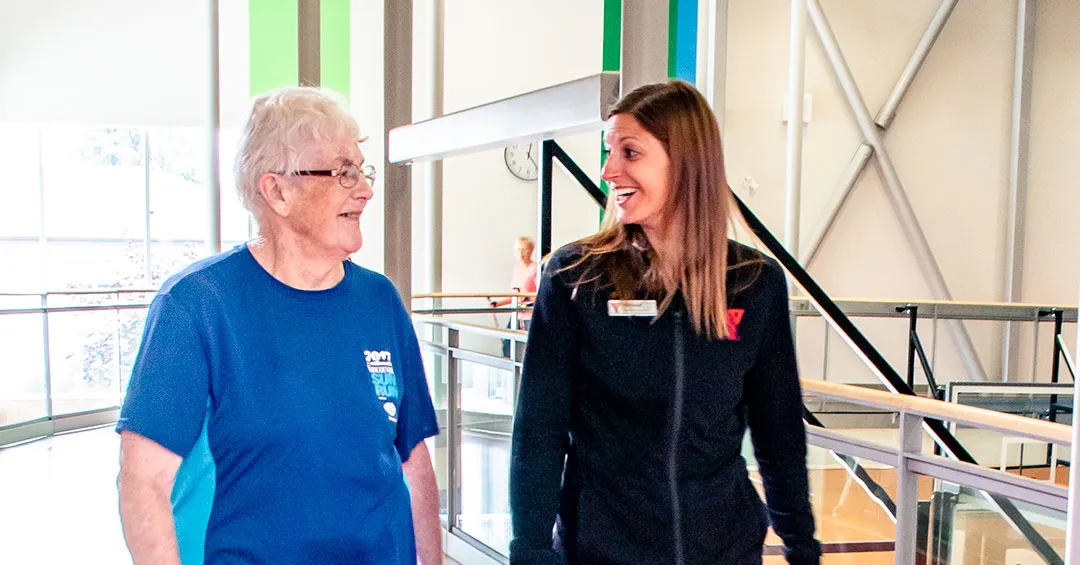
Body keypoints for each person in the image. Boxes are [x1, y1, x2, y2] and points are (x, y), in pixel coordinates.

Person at [115, 88, 442, 565]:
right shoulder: (198, 305)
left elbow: (413, 462)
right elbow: (144, 480)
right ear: (277, 190)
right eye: (342, 172)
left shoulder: (379, 300)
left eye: (362, 170)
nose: (366, 189)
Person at [508, 81, 820, 565]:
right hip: (602, 550)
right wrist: (529, 547)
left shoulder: (753, 283)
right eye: (610, 151)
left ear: (686, 163)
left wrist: (801, 544)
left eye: (630, 153)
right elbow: (539, 428)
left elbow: (778, 431)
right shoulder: (576, 277)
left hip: (724, 549)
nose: (609, 171)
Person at [489, 236, 538, 357]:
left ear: (530, 250)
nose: (520, 253)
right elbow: (515, 294)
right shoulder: (517, 269)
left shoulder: (536, 269)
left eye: (524, 249)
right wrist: (498, 304)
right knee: (507, 346)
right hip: (516, 313)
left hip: (529, 314)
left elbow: (541, 293)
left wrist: (527, 299)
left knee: (531, 346)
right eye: (518, 250)